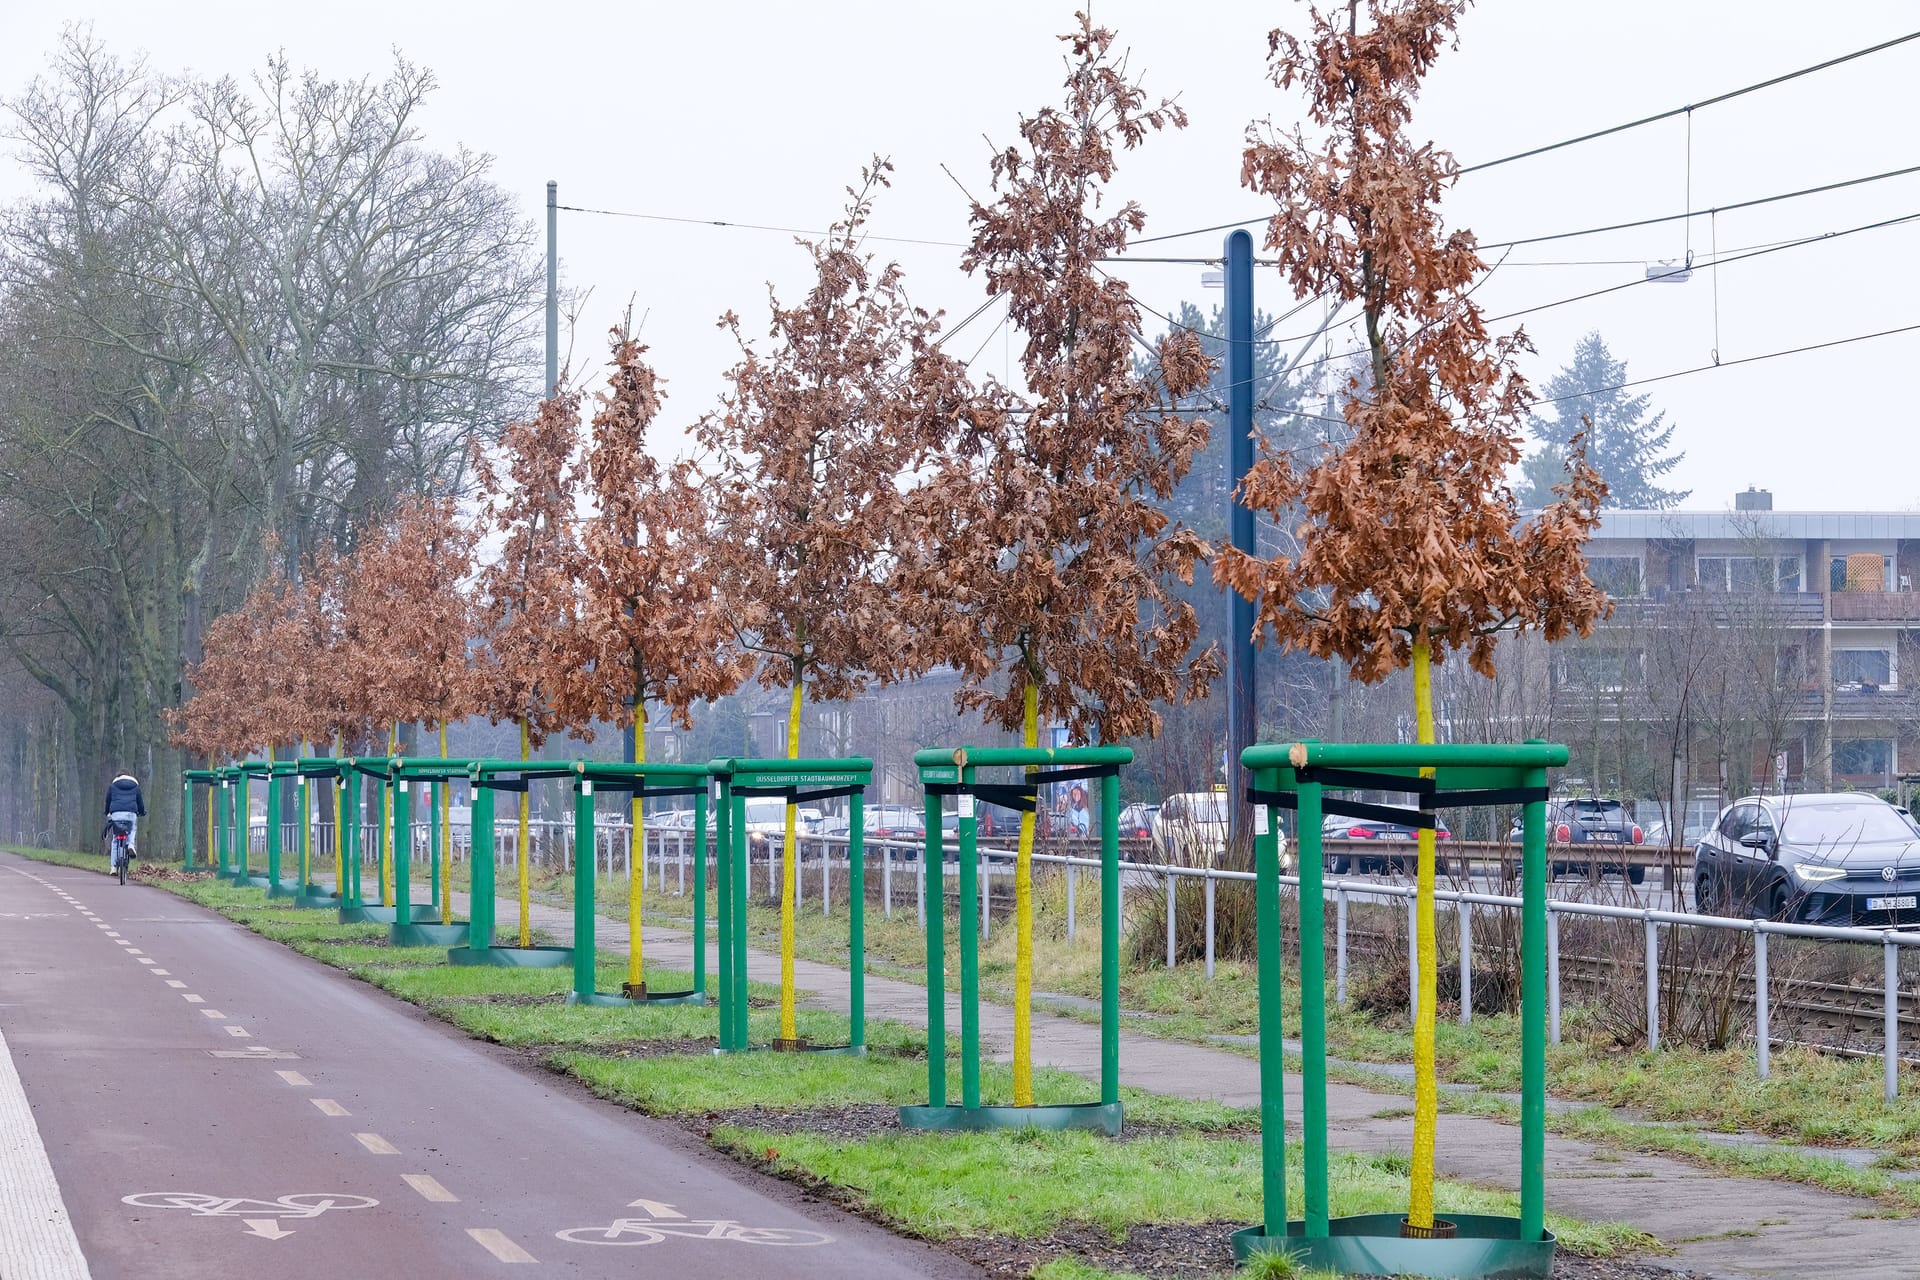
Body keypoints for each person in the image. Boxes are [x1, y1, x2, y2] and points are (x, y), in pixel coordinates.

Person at [103, 771, 146, 866]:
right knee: (132, 829)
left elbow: (108, 801)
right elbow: (140, 802)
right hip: (131, 813)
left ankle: (113, 867)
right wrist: (142, 812)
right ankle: (130, 844)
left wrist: (107, 812)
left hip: (116, 813)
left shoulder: (112, 786)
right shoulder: (135, 786)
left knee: (115, 838)